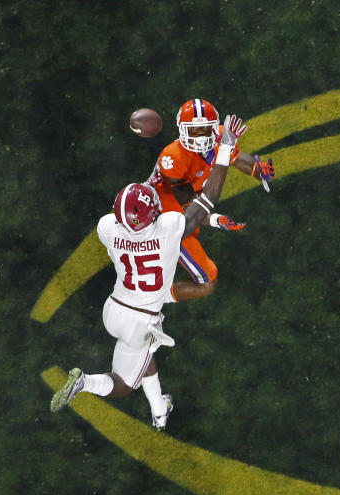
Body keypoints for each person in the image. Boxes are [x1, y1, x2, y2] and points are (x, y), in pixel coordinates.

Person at [50, 115, 248, 430]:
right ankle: (85, 383)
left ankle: (159, 410)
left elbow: (130, 217)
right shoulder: (168, 227)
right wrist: (225, 150)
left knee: (145, 356)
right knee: (123, 383)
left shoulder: (107, 228)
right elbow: (205, 201)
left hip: (116, 308)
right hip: (141, 320)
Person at [146, 98, 274, 303]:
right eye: (194, 131)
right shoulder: (172, 157)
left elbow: (237, 157)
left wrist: (257, 170)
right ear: (182, 130)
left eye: (205, 130)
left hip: (191, 211)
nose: (200, 138)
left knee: (208, 279)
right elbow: (189, 210)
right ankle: (150, 299)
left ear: (215, 129)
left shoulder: (222, 136)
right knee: (207, 281)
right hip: (165, 217)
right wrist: (214, 219)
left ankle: (150, 296)